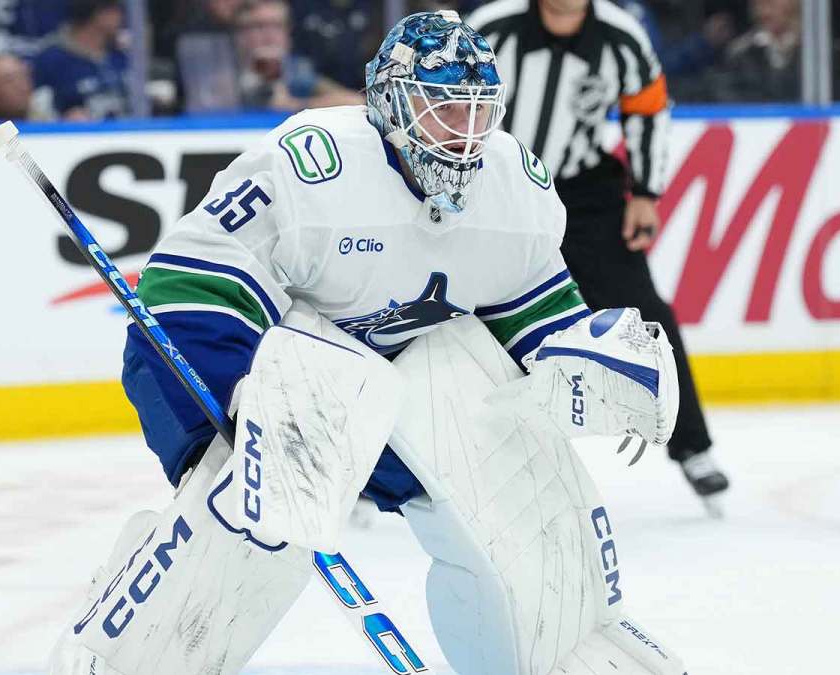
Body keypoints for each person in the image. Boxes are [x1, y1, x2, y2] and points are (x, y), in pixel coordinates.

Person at [47, 11, 687, 675]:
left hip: (391, 391)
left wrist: (590, 356)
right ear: (391, 102)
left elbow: (530, 313)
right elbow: (190, 288)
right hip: (231, 358)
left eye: (477, 112)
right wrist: (244, 401)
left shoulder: (514, 188)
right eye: (443, 109)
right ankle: (126, 655)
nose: (465, 135)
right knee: (263, 508)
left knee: (516, 489)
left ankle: (558, 647)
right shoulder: (314, 165)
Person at [468, 0, 730, 507]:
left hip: (585, 196)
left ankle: (693, 448)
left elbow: (648, 111)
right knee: (458, 319)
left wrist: (647, 194)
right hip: (497, 190)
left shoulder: (621, 36)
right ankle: (408, 465)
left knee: (644, 313)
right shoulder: (492, 29)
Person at [232, 0, 363, 111]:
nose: (269, 35)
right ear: (239, 34)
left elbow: (356, 101)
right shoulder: (223, 69)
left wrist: (294, 105)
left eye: (277, 26)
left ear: (288, 33)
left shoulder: (297, 70)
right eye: (258, 26)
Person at [31, 0, 130, 120]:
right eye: (116, 10)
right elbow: (35, 107)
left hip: (128, 132)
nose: (122, 17)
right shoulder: (52, 60)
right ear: (98, 14)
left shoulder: (120, 55)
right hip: (74, 135)